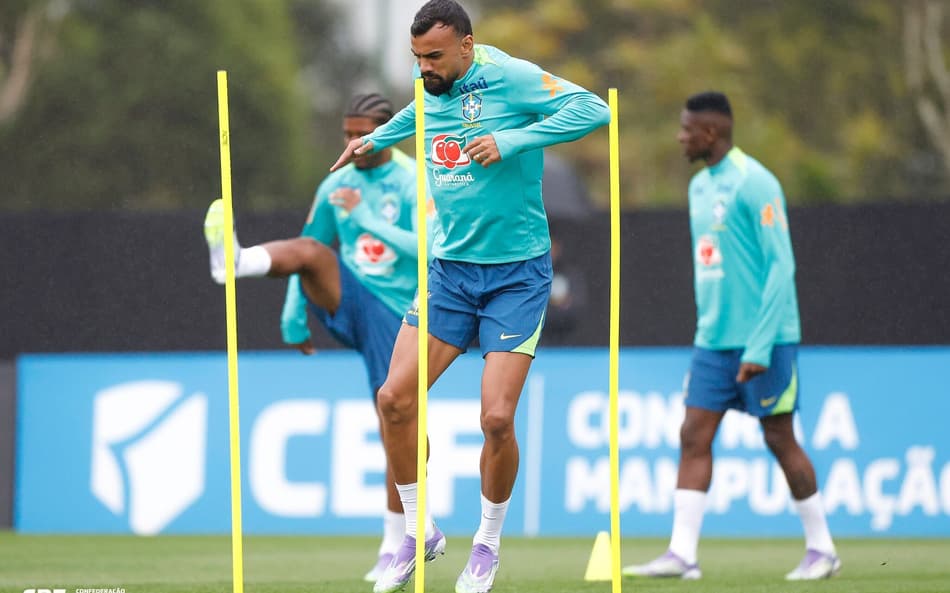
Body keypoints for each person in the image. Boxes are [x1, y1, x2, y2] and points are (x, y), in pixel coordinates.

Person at [330, 2, 610, 593]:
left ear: (466, 45)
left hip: (516, 276)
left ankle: (486, 545)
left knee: (497, 419)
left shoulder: (509, 76)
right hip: (449, 273)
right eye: (416, 58)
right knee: (394, 399)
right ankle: (418, 531)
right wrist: (376, 139)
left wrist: (513, 139)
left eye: (434, 56)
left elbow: (594, 109)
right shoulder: (430, 82)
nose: (424, 68)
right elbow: (420, 113)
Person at [203, 92, 436, 583]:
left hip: (401, 315)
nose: (353, 143)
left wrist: (366, 218)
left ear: (388, 133)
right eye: (347, 134)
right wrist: (294, 315)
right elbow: (309, 246)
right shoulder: (338, 180)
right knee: (311, 251)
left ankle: (394, 543)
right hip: (348, 299)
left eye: (363, 135)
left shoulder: (414, 179)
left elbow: (428, 249)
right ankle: (236, 261)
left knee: (396, 425)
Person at [622, 91, 840, 581]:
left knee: (779, 436)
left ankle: (822, 549)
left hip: (767, 339)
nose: (680, 137)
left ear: (711, 132)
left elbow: (782, 266)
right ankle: (682, 555)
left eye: (686, 129)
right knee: (693, 434)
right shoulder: (699, 186)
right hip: (713, 342)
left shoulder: (755, 181)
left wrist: (760, 346)